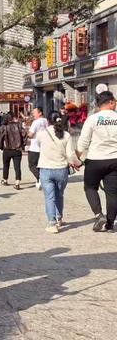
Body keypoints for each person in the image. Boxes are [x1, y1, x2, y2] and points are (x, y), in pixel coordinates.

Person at [76, 91, 117, 233]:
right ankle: (110, 224)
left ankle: (99, 215)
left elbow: (83, 142)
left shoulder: (92, 119)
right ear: (111, 102)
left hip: (95, 160)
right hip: (114, 160)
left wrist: (77, 158)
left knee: (90, 187)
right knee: (113, 193)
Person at [36, 111, 79, 234]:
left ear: (47, 121)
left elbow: (40, 146)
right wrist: (77, 163)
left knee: (49, 197)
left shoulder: (41, 134)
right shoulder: (66, 135)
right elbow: (70, 154)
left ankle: (52, 223)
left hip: (46, 169)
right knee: (59, 194)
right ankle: (59, 217)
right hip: (61, 170)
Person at [0, 114, 26, 190]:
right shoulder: (18, 126)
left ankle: (5, 179)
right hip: (17, 149)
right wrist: (22, 145)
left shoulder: (3, 127)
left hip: (7, 149)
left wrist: (1, 147)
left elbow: (0, 138)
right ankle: (17, 182)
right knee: (17, 167)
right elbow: (25, 134)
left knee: (6, 165)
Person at [27, 107, 48, 189]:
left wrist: (27, 134)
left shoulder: (35, 122)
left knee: (32, 165)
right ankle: (40, 180)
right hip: (44, 147)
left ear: (40, 113)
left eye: (34, 113)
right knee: (41, 166)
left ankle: (40, 179)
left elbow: (31, 134)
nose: (33, 114)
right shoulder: (46, 121)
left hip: (35, 147)